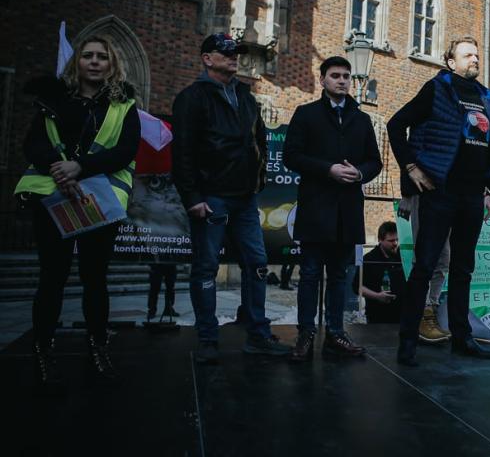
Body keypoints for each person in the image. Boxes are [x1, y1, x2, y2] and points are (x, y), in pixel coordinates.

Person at [15, 35, 141, 385]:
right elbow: (34, 143)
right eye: (88, 56)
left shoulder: (123, 105)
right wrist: (59, 167)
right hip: (54, 197)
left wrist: (80, 168)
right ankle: (43, 352)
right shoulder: (53, 100)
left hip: (98, 201)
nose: (95, 61)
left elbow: (126, 150)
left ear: (112, 64)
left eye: (103, 56)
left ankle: (97, 349)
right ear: (78, 62)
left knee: (95, 279)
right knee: (51, 278)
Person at [171, 33, 288, 363]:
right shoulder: (192, 98)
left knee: (258, 265)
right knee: (206, 269)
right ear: (207, 58)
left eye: (236, 52)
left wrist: (258, 179)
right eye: (226, 52)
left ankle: (258, 335)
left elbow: (260, 141)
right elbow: (182, 153)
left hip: (245, 199)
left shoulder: (245, 96)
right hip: (211, 198)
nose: (234, 57)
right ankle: (208, 338)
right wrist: (192, 196)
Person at [387, 36, 490, 366]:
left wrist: (487, 186)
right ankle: (407, 342)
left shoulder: (485, 96)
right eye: (467, 55)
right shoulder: (436, 89)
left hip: (471, 195)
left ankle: (463, 339)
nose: (475, 59)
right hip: (440, 192)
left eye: (477, 54)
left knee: (464, 268)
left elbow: (486, 144)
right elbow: (396, 125)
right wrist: (411, 168)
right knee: (424, 266)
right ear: (451, 62)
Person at [282, 55, 383, 362]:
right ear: (323, 79)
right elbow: (292, 156)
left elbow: (375, 161)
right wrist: (329, 170)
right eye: (335, 75)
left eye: (345, 76)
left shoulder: (362, 118)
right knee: (310, 274)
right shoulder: (306, 114)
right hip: (316, 207)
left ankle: (336, 334)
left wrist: (360, 173)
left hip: (347, 210)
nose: (342, 80)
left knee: (339, 275)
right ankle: (305, 333)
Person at [397, 195, 451, 343]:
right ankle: (422, 315)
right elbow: (408, 170)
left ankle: (430, 311)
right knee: (423, 257)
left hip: (447, 193)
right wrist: (407, 195)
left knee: (443, 260)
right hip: (423, 192)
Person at [352, 221, 405, 324]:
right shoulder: (369, 259)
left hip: (401, 315)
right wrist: (377, 296)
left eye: (397, 240)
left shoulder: (401, 256)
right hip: (377, 316)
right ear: (380, 240)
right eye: (391, 240)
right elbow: (357, 287)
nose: (395, 243)